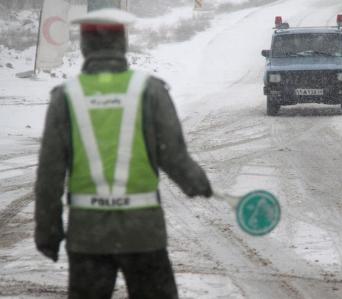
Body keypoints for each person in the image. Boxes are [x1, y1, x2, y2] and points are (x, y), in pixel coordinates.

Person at [34, 8, 212, 299]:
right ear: (123, 44)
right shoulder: (149, 91)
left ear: (84, 46)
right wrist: (197, 183)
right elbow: (174, 156)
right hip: (143, 234)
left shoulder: (66, 97)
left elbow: (49, 174)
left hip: (88, 236)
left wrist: (48, 230)